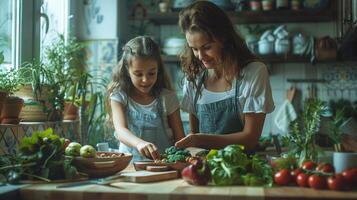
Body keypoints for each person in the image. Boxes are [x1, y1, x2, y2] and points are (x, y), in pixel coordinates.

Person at [175, 1, 275, 151]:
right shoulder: (194, 77)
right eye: (194, 49)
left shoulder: (253, 72)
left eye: (207, 47)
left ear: (224, 38)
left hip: (242, 169)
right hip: (203, 169)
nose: (201, 56)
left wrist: (200, 139)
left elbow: (250, 139)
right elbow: (194, 139)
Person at [107, 36, 185, 161]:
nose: (145, 80)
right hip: (129, 165)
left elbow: (180, 140)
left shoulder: (167, 98)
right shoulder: (119, 96)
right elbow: (121, 130)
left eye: (151, 73)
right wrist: (139, 143)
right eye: (138, 74)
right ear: (127, 70)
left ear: (158, 70)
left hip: (163, 167)